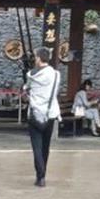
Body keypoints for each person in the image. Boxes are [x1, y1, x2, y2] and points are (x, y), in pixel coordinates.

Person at [24, 47, 61, 187]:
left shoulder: (31, 74)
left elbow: (26, 88)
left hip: (35, 114)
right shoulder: (56, 75)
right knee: (46, 146)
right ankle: (43, 173)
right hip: (50, 114)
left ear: (39, 58)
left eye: (35, 57)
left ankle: (40, 177)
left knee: (37, 147)